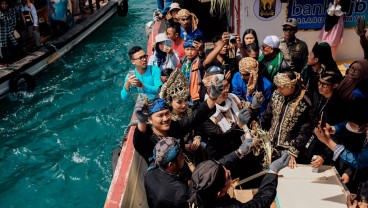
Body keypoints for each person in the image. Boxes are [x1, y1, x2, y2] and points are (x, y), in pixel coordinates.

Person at [132, 74, 223, 164]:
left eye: (167, 113)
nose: (165, 118)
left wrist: (213, 97)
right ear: (150, 120)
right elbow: (139, 140)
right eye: (160, 115)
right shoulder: (148, 140)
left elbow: (196, 117)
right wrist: (141, 121)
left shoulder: (174, 127)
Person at [187, 151, 291, 208]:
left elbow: (218, 165)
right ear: (220, 193)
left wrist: (239, 152)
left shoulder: (198, 185)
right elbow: (262, 202)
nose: (229, 172)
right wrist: (273, 172)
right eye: (227, 177)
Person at [259, 71, 313, 167]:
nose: (278, 89)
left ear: (291, 87)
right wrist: (258, 129)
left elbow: (305, 131)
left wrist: (293, 151)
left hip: (287, 150)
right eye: (277, 86)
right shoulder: (276, 95)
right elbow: (267, 115)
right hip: (269, 145)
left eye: (281, 87)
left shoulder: (304, 103)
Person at [144, 137, 188, 208]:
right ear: (171, 165)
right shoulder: (180, 191)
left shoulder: (149, 172)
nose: (184, 156)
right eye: (181, 156)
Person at [181, 39, 205, 105]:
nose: (189, 52)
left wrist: (201, 51)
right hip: (185, 92)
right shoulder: (183, 62)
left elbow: (202, 58)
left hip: (196, 93)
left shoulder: (198, 60)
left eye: (192, 49)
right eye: (187, 49)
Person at [0, 0, 22, 64]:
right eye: (3, 4)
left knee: (15, 42)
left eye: (6, 4)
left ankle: (18, 58)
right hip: (2, 31)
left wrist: (18, 1)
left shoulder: (10, 10)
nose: (4, 5)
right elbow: (3, 20)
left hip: (10, 29)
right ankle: (5, 61)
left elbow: (18, 7)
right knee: (3, 46)